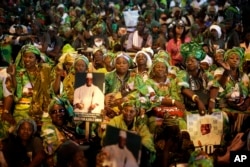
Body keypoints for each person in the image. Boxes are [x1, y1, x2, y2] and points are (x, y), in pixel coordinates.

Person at [7, 44, 52, 125]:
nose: (27, 59)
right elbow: (18, 93)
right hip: (22, 109)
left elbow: (51, 64)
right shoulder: (20, 73)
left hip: (41, 108)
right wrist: (13, 76)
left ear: (37, 59)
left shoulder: (43, 72)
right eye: (25, 56)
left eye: (31, 57)